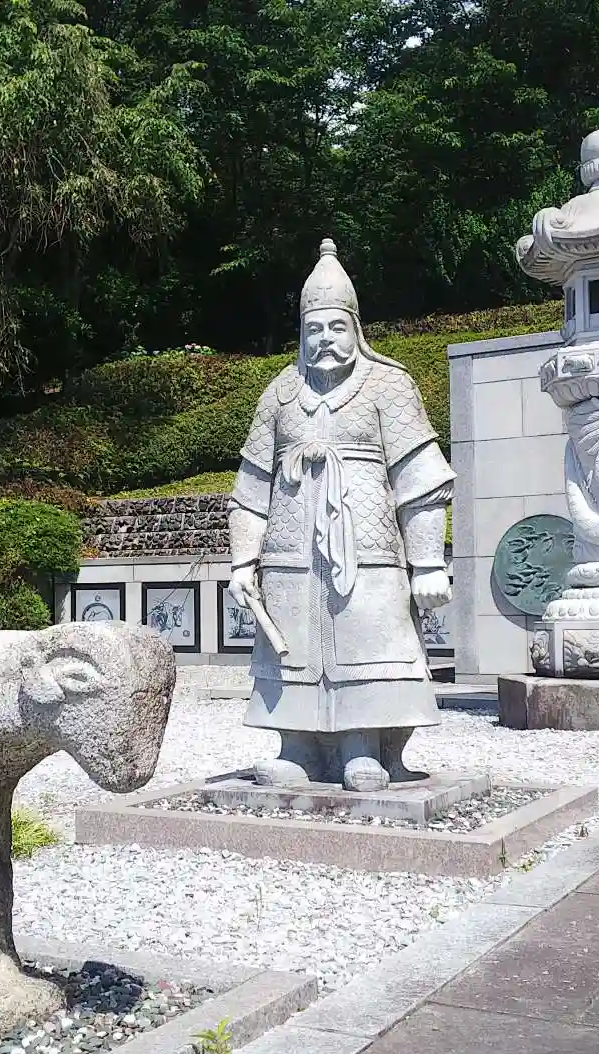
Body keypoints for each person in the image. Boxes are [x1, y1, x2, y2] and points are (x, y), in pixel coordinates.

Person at [226, 239, 456, 792]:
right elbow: (251, 488)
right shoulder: (280, 394)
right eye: (314, 329)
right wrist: (242, 562)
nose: (324, 339)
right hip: (290, 557)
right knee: (292, 649)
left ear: (356, 329)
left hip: (368, 551)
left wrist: (428, 564)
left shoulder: (389, 385)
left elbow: (422, 482)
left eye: (336, 327)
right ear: (301, 334)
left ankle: (363, 748)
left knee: (370, 643)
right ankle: (297, 749)